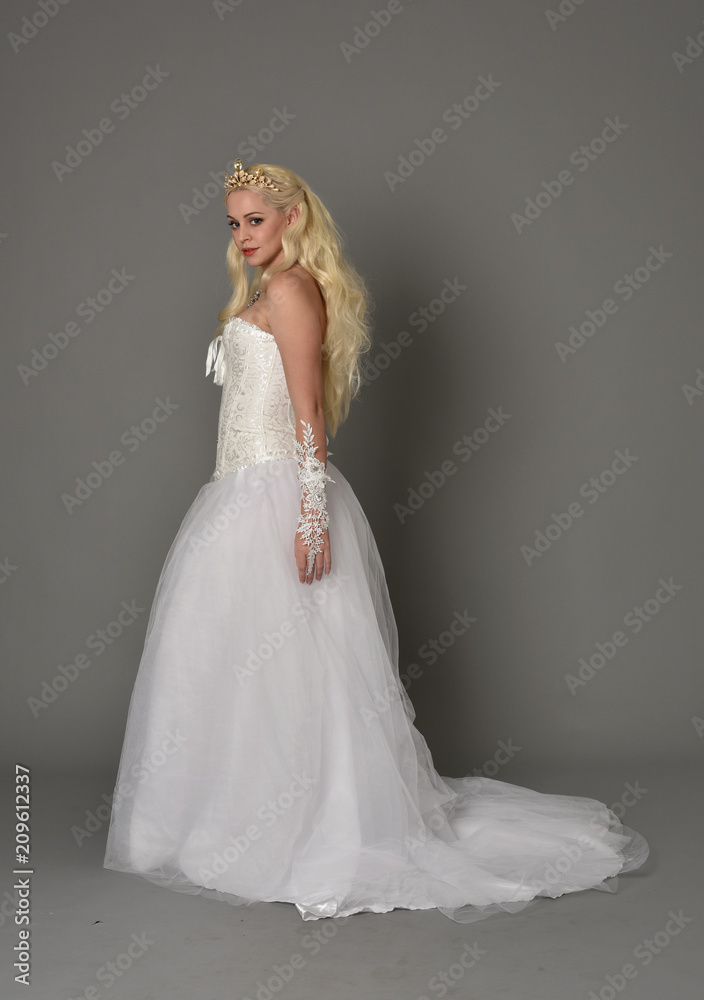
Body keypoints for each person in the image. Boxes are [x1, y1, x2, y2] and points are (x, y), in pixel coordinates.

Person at [103, 158, 649, 923]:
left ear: (291, 218)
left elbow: (307, 416)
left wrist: (310, 515)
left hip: (277, 496)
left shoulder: (292, 293)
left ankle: (303, 827)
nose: (242, 235)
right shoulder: (262, 292)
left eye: (254, 220)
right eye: (233, 223)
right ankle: (233, 820)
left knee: (292, 669)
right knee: (233, 666)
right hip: (233, 498)